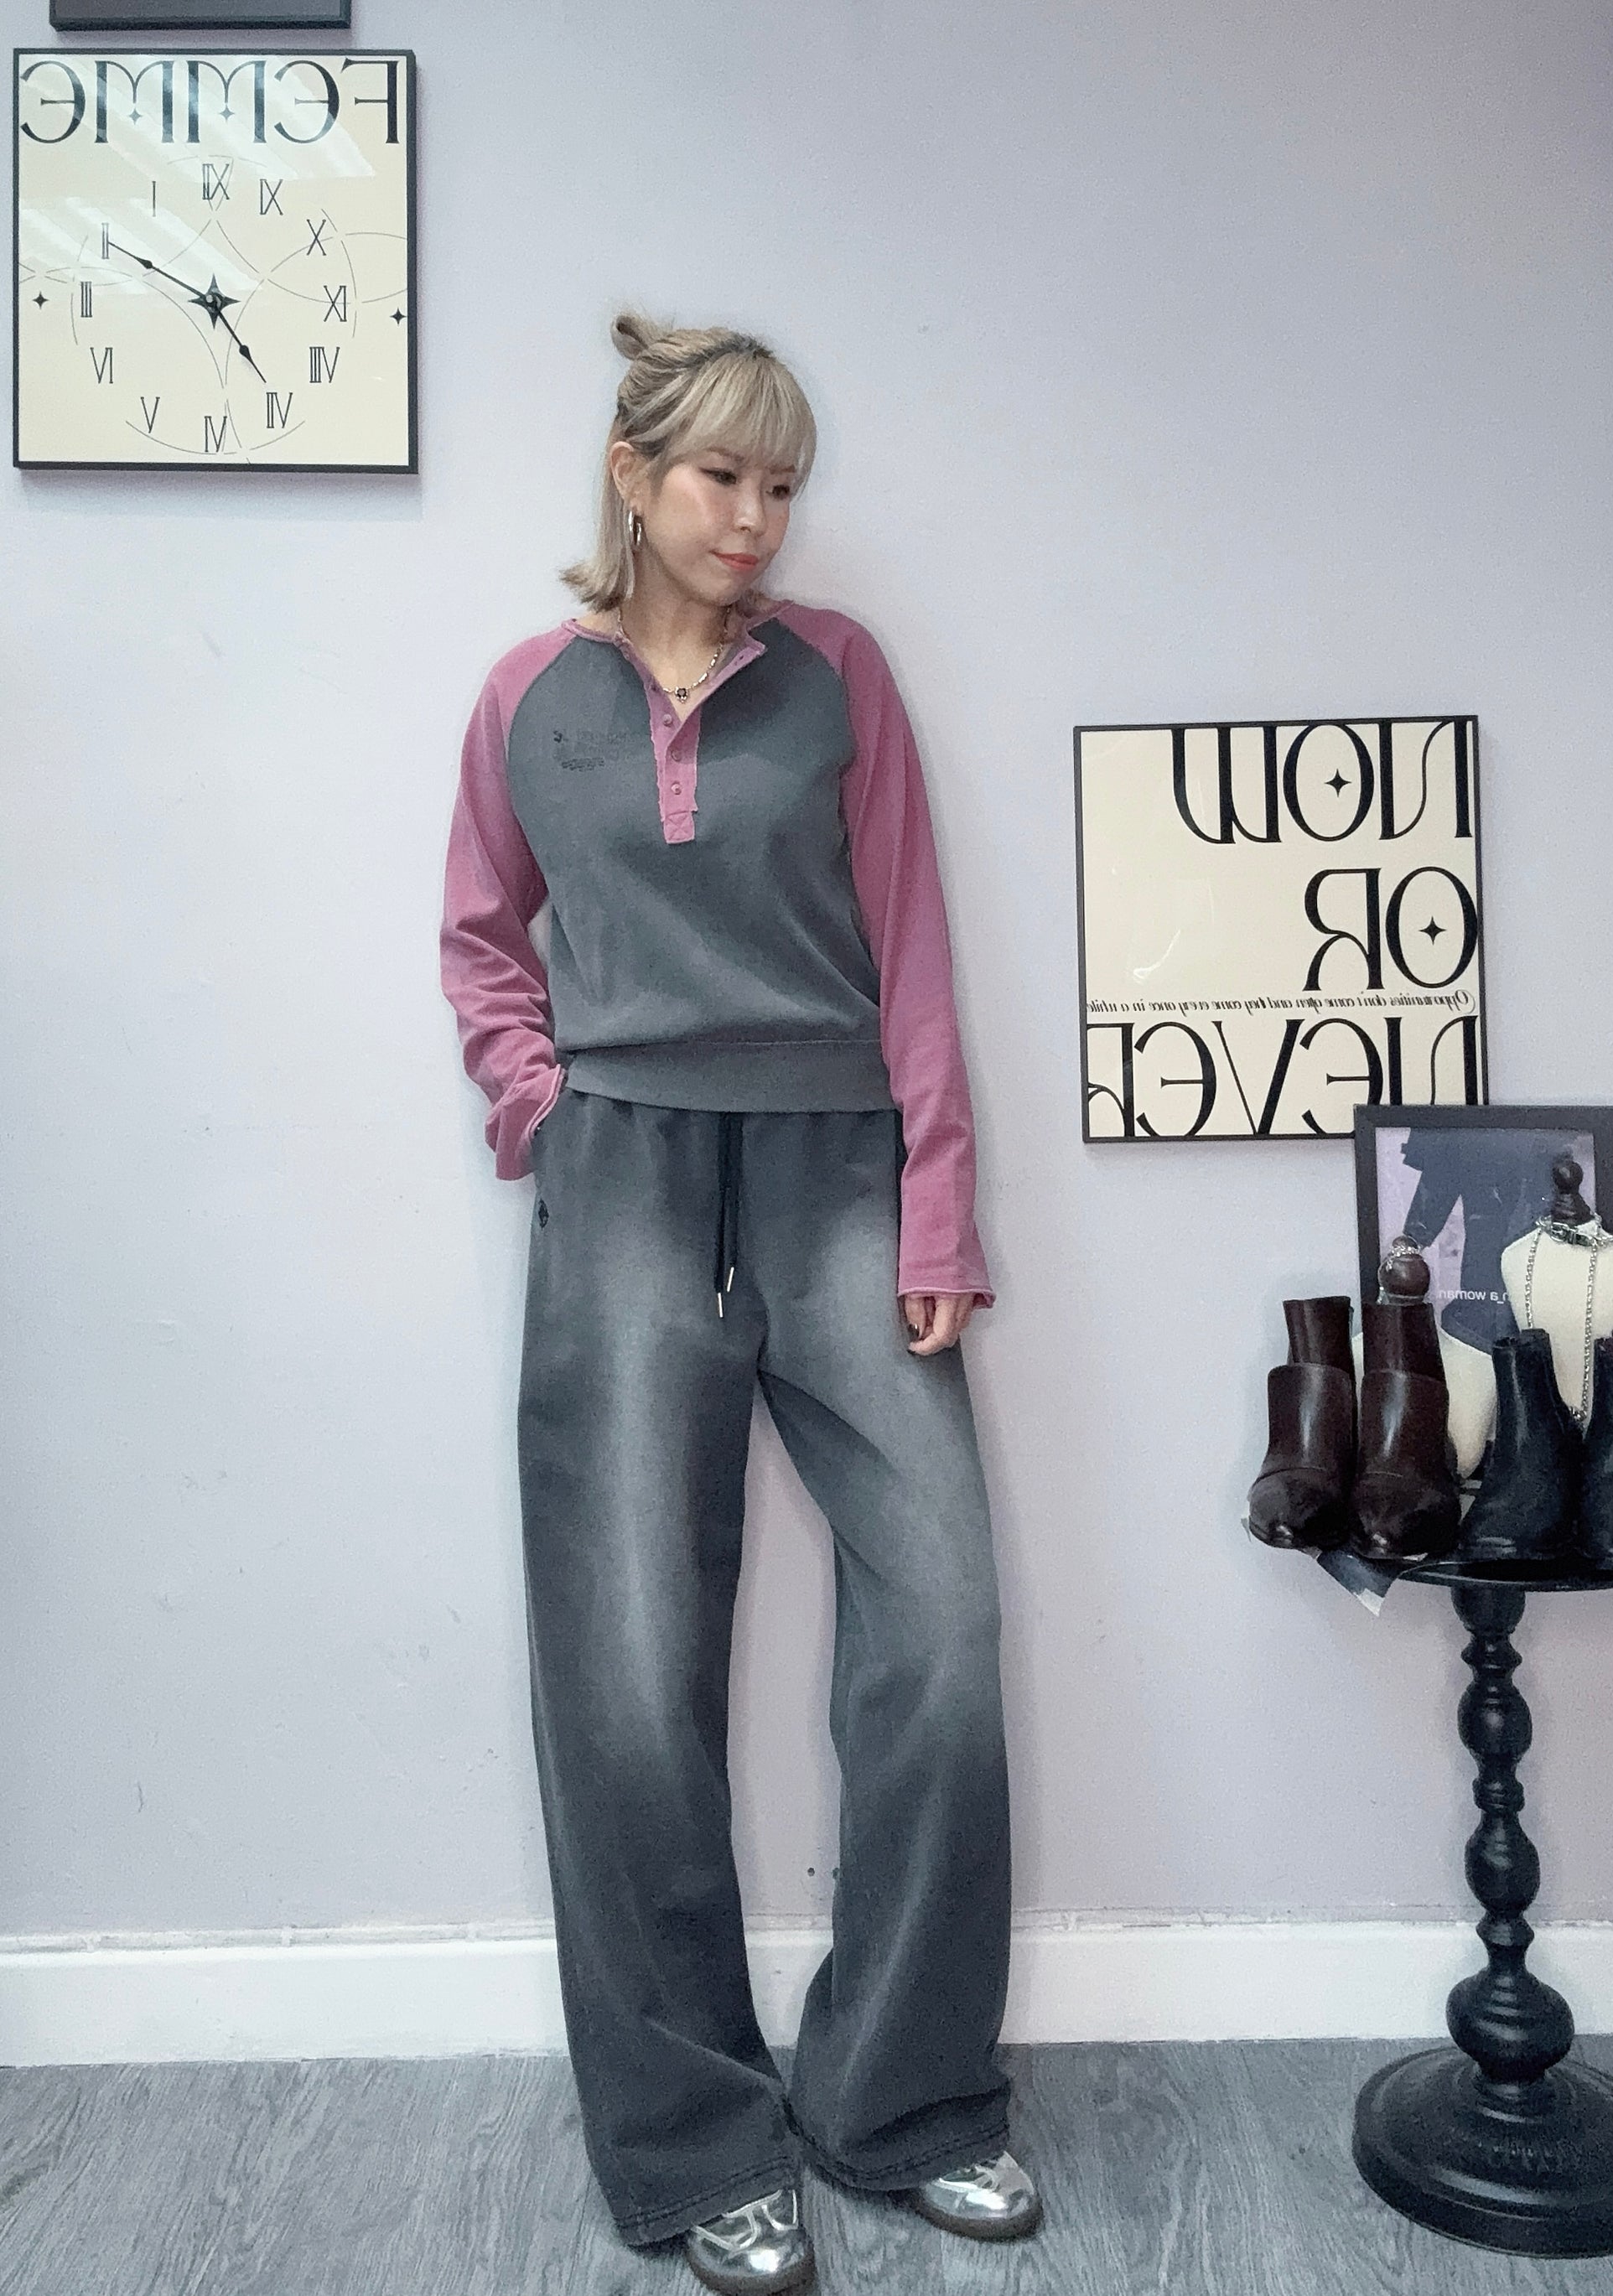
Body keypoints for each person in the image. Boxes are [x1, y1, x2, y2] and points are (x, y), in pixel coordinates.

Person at [440, 311, 1041, 2292]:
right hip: (620, 1179)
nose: (757, 517)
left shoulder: (838, 677)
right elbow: (481, 937)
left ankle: (903, 2097)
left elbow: (913, 948)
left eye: (783, 483)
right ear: (633, 475)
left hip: (838, 1172)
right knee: (625, 1666)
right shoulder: (528, 697)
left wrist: (937, 1208)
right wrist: (540, 1107)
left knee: (938, 1629)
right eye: (724, 476)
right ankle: (697, 2136)